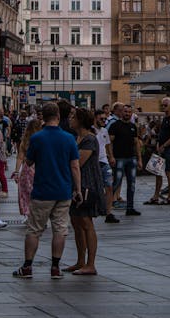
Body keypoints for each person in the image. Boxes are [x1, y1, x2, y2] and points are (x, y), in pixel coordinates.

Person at [13, 102, 81, 280]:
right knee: (60, 230)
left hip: (42, 190)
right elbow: (75, 166)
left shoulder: (37, 138)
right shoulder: (69, 138)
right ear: (58, 116)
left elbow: (28, 162)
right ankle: (55, 267)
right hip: (63, 190)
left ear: (43, 116)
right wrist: (78, 189)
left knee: (34, 230)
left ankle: (27, 267)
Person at [66, 107, 106, 275]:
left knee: (86, 223)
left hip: (87, 185)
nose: (70, 119)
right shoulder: (78, 137)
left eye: (73, 117)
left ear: (81, 120)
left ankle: (90, 264)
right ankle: (80, 261)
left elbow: (78, 163)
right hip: (77, 184)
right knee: (76, 223)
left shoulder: (89, 139)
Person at [109, 104, 142, 216]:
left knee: (131, 184)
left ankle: (130, 207)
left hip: (131, 158)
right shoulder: (115, 125)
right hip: (119, 158)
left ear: (131, 113)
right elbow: (109, 142)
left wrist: (139, 159)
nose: (127, 114)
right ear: (121, 113)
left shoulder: (133, 126)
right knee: (116, 182)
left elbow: (136, 143)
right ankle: (107, 206)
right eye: (125, 111)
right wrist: (111, 156)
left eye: (129, 112)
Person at [150, 97, 170, 205]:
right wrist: (159, 145)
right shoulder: (165, 118)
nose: (163, 107)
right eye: (162, 105)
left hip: (169, 149)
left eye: (165, 105)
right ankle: (156, 196)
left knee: (169, 173)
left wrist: (164, 145)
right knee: (157, 173)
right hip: (162, 149)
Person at [11, 118, 42, 220]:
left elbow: (20, 157)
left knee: (26, 193)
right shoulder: (42, 139)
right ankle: (38, 214)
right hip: (39, 169)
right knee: (39, 193)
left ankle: (28, 213)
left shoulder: (25, 140)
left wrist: (16, 171)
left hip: (27, 169)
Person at [93, 109, 119, 223]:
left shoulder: (104, 131)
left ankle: (109, 212)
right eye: (101, 119)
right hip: (94, 162)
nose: (104, 121)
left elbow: (108, 145)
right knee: (94, 188)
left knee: (109, 186)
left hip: (104, 161)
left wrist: (111, 156)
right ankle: (96, 208)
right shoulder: (90, 131)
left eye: (105, 119)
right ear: (95, 118)